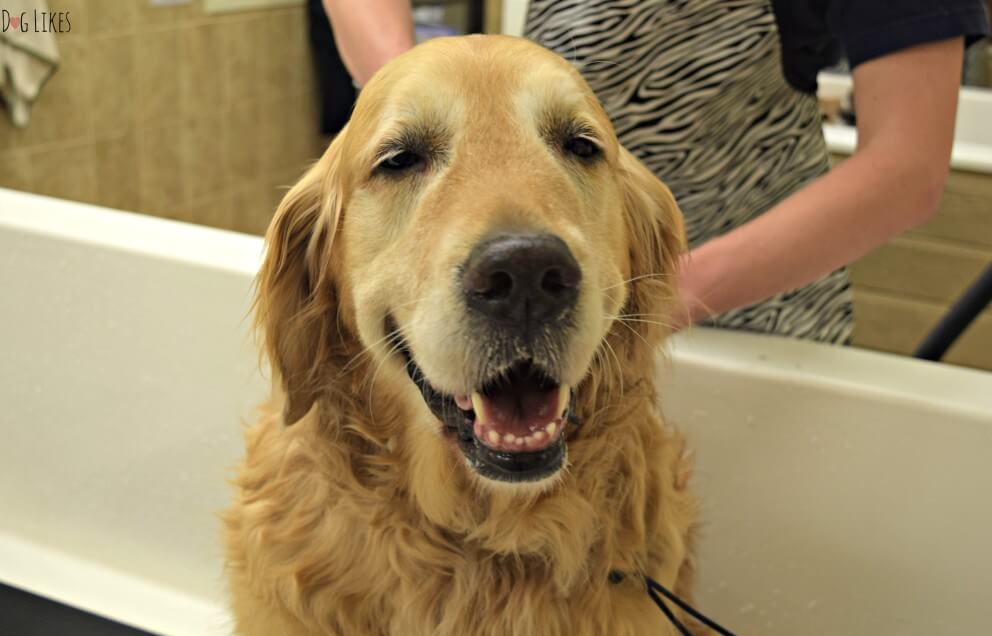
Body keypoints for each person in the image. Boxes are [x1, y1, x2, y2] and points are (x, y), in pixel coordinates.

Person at [321, 0, 989, 343]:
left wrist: (648, 302)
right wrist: (406, 104)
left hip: (746, 329)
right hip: (526, 294)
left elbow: (906, 167)